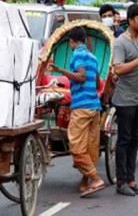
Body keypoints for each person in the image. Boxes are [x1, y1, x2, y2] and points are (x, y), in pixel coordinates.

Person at [48, 26, 105, 198]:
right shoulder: (93, 57)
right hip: (94, 107)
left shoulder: (77, 54)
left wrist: (62, 71)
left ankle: (95, 179)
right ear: (85, 40)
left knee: (76, 146)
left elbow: (80, 77)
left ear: (72, 41)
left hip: (82, 107)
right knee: (90, 146)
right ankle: (85, 180)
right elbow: (95, 83)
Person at [112, 4, 138, 196]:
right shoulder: (121, 42)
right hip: (124, 100)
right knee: (124, 141)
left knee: (135, 140)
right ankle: (121, 183)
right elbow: (118, 69)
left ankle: (131, 179)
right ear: (130, 21)